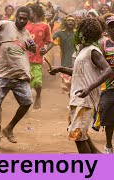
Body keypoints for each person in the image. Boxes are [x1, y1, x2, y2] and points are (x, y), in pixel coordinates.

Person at [49, 18, 112, 154]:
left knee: (77, 135)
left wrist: (89, 88)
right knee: (80, 135)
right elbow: (78, 72)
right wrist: (60, 68)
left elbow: (108, 70)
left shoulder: (93, 51)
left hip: (85, 100)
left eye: (80, 31)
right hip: (77, 98)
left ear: (85, 34)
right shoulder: (83, 51)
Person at [0, 6, 36, 146]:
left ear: (28, 20)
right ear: (16, 17)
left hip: (20, 74)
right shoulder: (5, 25)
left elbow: (30, 47)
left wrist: (33, 47)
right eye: (20, 18)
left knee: (27, 102)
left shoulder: (27, 33)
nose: (22, 21)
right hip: (2, 74)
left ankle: (9, 128)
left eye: (25, 19)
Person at [25, 3, 53, 109]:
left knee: (37, 82)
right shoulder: (25, 24)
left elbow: (50, 42)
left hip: (36, 59)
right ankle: (25, 105)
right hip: (24, 59)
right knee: (25, 83)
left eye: (29, 12)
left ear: (35, 12)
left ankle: (38, 95)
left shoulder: (45, 26)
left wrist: (45, 49)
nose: (27, 14)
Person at [94, 16, 114, 154]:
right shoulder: (104, 45)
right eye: (111, 26)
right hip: (108, 87)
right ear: (107, 29)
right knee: (109, 119)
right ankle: (108, 145)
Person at [46, 15, 76, 95]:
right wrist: (50, 28)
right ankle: (71, 104)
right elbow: (50, 41)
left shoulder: (77, 34)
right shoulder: (60, 33)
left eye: (72, 20)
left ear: (74, 23)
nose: (70, 22)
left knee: (74, 86)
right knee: (67, 87)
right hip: (64, 64)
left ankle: (72, 104)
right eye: (69, 20)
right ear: (65, 22)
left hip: (75, 63)